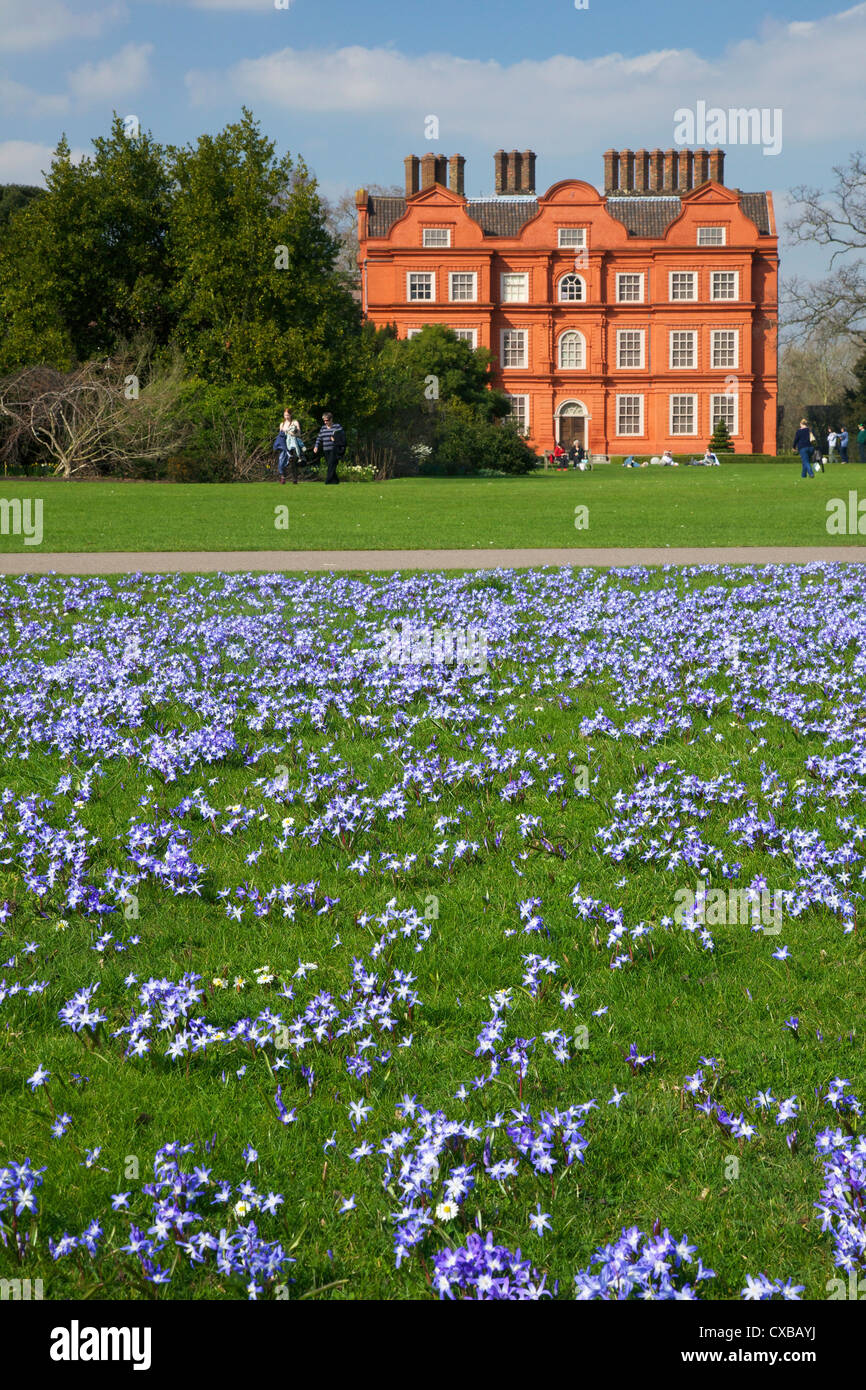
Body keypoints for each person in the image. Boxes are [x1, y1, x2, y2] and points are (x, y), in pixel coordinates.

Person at [313, 412, 347, 485]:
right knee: (330, 465)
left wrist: (335, 439)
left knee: (331, 464)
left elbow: (342, 437)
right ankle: (336, 480)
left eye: (327, 420)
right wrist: (316, 446)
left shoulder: (337, 427)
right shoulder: (323, 428)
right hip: (326, 449)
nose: (325, 422)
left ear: (331, 419)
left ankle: (327, 480)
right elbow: (319, 438)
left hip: (334, 449)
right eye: (324, 420)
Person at [279, 407, 303, 485]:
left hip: (293, 444)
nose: (286, 417)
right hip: (284, 444)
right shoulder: (282, 424)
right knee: (282, 461)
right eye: (285, 415)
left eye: (288, 415)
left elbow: (299, 433)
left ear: (291, 415)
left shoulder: (295, 422)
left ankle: (294, 479)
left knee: (292, 461)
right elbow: (280, 435)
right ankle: (283, 478)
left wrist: (293, 433)